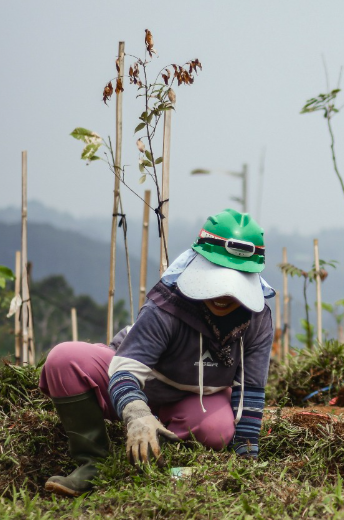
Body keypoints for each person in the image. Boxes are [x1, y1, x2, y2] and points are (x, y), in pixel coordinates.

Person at [39, 209, 274, 496]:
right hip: (140, 378)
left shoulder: (257, 320)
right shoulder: (167, 306)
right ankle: (92, 464)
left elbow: (250, 391)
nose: (224, 295)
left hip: (191, 399)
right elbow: (125, 371)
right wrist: (137, 414)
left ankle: (165, 461)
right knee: (64, 359)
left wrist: (247, 458)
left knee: (218, 430)